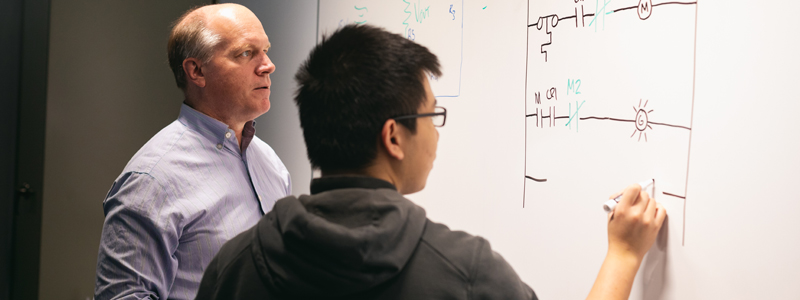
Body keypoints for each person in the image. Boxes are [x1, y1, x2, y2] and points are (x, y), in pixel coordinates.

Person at [195, 24, 666, 300]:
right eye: (431, 115)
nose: (437, 132)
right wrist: (623, 255)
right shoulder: (464, 273)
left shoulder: (234, 268)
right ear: (394, 137)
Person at [94, 4, 291, 300]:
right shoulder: (151, 180)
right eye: (246, 53)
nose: (268, 65)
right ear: (196, 71)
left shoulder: (270, 163)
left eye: (265, 50)